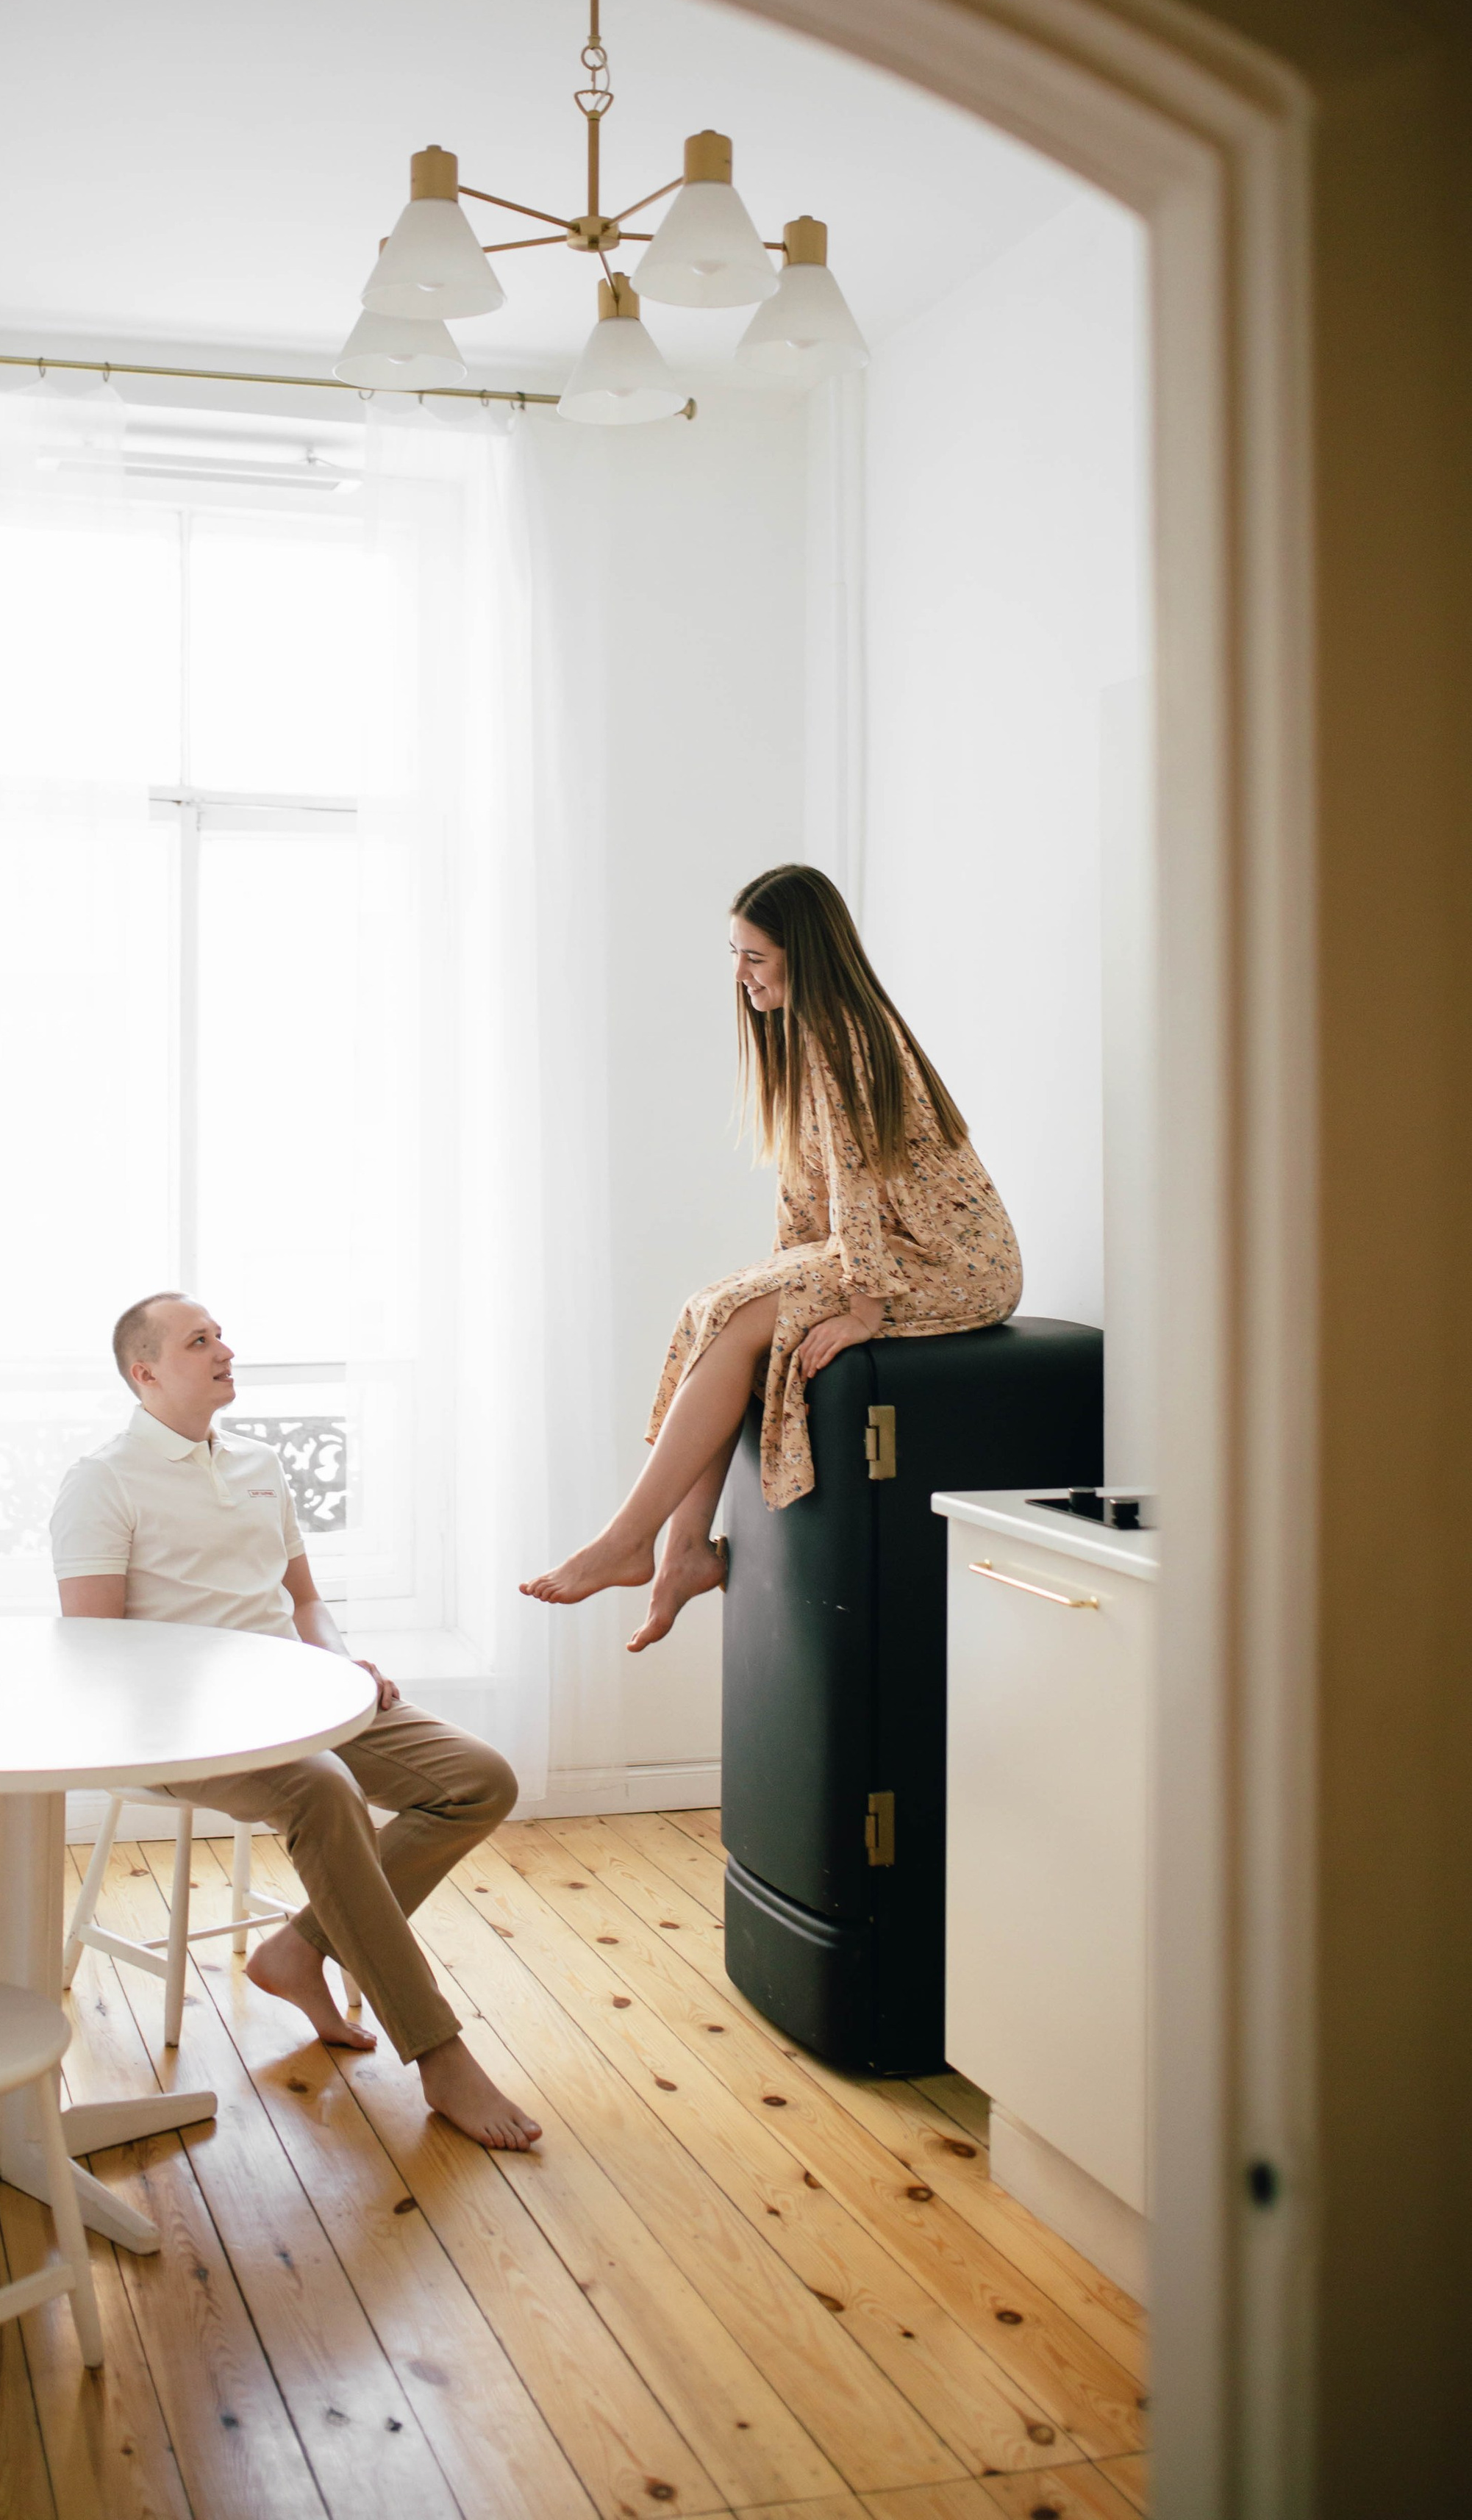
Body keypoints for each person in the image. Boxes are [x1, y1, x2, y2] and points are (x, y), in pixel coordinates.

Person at [49, 1292, 540, 2150]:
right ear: (146, 1371)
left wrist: (341, 1664)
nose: (224, 1349)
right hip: (177, 1728)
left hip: (300, 1694)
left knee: (478, 1780)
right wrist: (225, 1700)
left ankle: (297, 1949)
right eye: (199, 1340)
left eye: (221, 1335)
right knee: (324, 1790)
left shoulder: (257, 1462)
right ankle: (439, 2054)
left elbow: (304, 1601)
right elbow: (97, 1653)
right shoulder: (102, 1482)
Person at [524, 861, 1022, 1654]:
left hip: (953, 1262)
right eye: (734, 955)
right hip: (888, 1248)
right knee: (714, 1306)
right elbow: (809, 1200)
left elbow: (856, 1182)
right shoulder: (804, 1035)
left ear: (805, 954)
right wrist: (786, 1278)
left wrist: (860, 1307)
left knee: (739, 1312)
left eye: (755, 957)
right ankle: (681, 1548)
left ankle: (633, 1539)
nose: (740, 976)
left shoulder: (844, 1033)